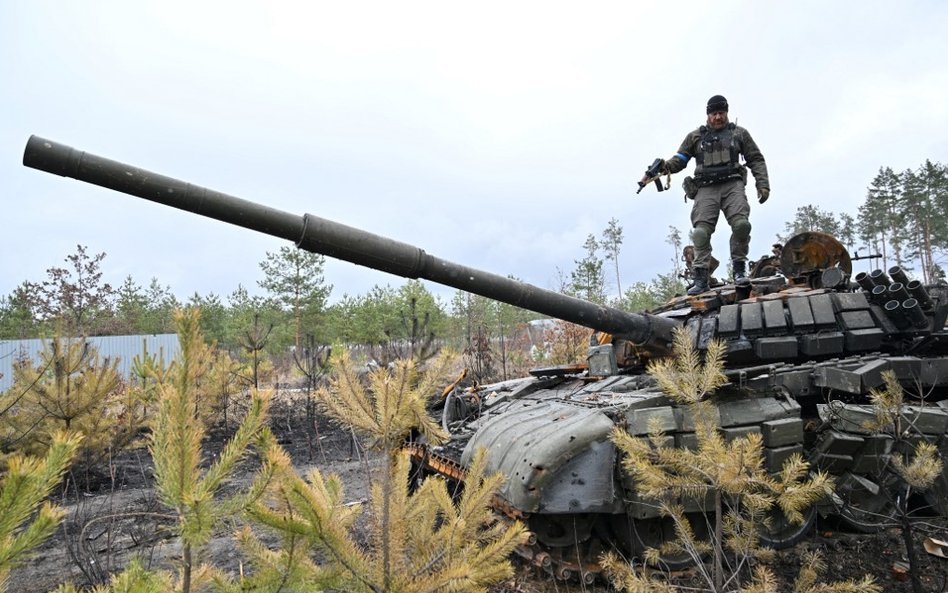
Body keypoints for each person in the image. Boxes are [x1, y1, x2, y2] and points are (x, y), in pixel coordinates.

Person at [645, 95, 770, 295]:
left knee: (742, 225)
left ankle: (739, 270)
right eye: (714, 113)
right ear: (708, 115)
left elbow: (755, 159)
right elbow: (680, 159)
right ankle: (701, 278)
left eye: (721, 113)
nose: (718, 117)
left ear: (727, 113)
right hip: (706, 187)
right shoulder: (696, 137)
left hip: (732, 184)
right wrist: (664, 166)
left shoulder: (739, 134)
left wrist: (763, 185)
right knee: (700, 233)